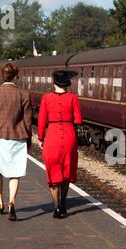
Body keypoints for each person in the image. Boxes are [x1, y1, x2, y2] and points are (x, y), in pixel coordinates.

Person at [0, 63, 32, 222]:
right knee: (14, 172)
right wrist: (28, 140)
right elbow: (28, 121)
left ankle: (0, 202)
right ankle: (12, 203)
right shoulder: (24, 94)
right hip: (17, 137)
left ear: (2, 76)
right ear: (16, 77)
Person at [37, 70, 83, 219]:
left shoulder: (46, 98)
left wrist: (40, 138)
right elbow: (78, 120)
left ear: (54, 83)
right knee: (67, 169)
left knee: (53, 170)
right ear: (67, 85)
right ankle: (63, 203)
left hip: (52, 136)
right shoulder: (73, 98)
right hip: (69, 135)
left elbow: (41, 121)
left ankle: (56, 207)